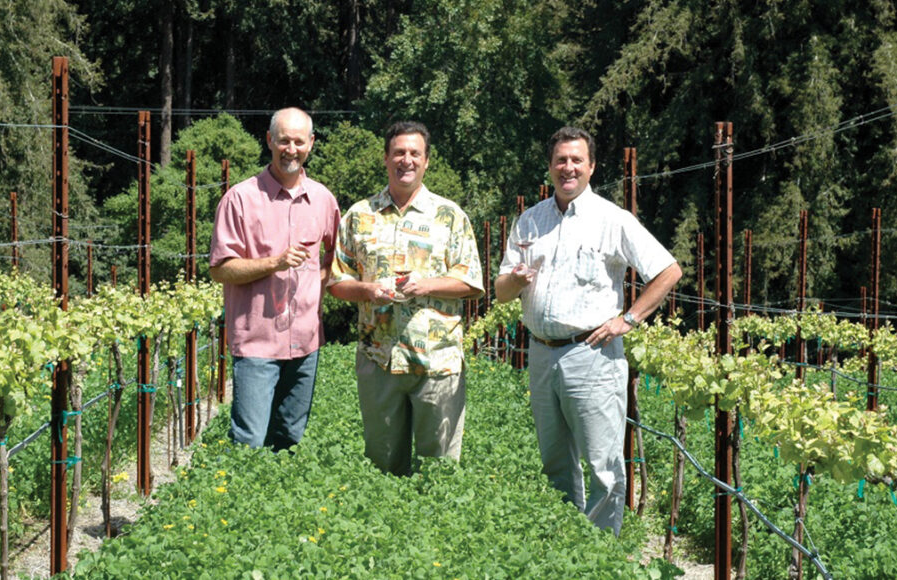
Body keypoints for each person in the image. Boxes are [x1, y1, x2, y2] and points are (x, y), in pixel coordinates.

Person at [494, 126, 682, 533]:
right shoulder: (529, 221)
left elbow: (669, 270)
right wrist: (518, 280)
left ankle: (601, 557)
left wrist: (628, 319)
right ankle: (568, 550)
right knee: (556, 462)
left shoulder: (612, 219)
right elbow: (501, 291)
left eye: (577, 160)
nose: (568, 168)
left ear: (592, 167)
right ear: (550, 167)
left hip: (592, 356)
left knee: (603, 466)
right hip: (541, 353)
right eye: (561, 160)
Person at [328, 121, 484, 475]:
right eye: (399, 152)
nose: (406, 160)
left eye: (415, 153)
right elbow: (336, 281)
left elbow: (472, 283)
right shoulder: (359, 215)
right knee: (382, 469)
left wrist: (427, 285)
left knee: (439, 471)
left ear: (427, 161)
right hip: (379, 359)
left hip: (437, 362)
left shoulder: (450, 216)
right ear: (385, 158)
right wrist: (368, 290)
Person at [209, 107, 340, 450]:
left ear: (311, 143)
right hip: (257, 342)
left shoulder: (324, 200)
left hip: (306, 342)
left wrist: (316, 281)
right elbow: (220, 267)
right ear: (269, 141)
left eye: (299, 141)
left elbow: (337, 259)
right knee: (248, 441)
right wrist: (274, 263)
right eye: (284, 140)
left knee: (290, 439)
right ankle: (238, 501)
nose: (291, 149)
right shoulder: (240, 198)